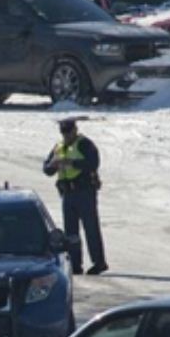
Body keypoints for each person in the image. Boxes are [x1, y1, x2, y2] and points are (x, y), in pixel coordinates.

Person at [43, 116, 108, 275]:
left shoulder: (85, 144)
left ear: (75, 130)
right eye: (63, 133)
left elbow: (93, 163)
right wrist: (53, 165)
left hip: (84, 191)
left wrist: (71, 163)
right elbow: (46, 169)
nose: (66, 136)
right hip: (67, 193)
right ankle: (75, 264)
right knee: (71, 232)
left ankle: (99, 262)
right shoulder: (58, 147)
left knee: (90, 228)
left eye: (68, 132)